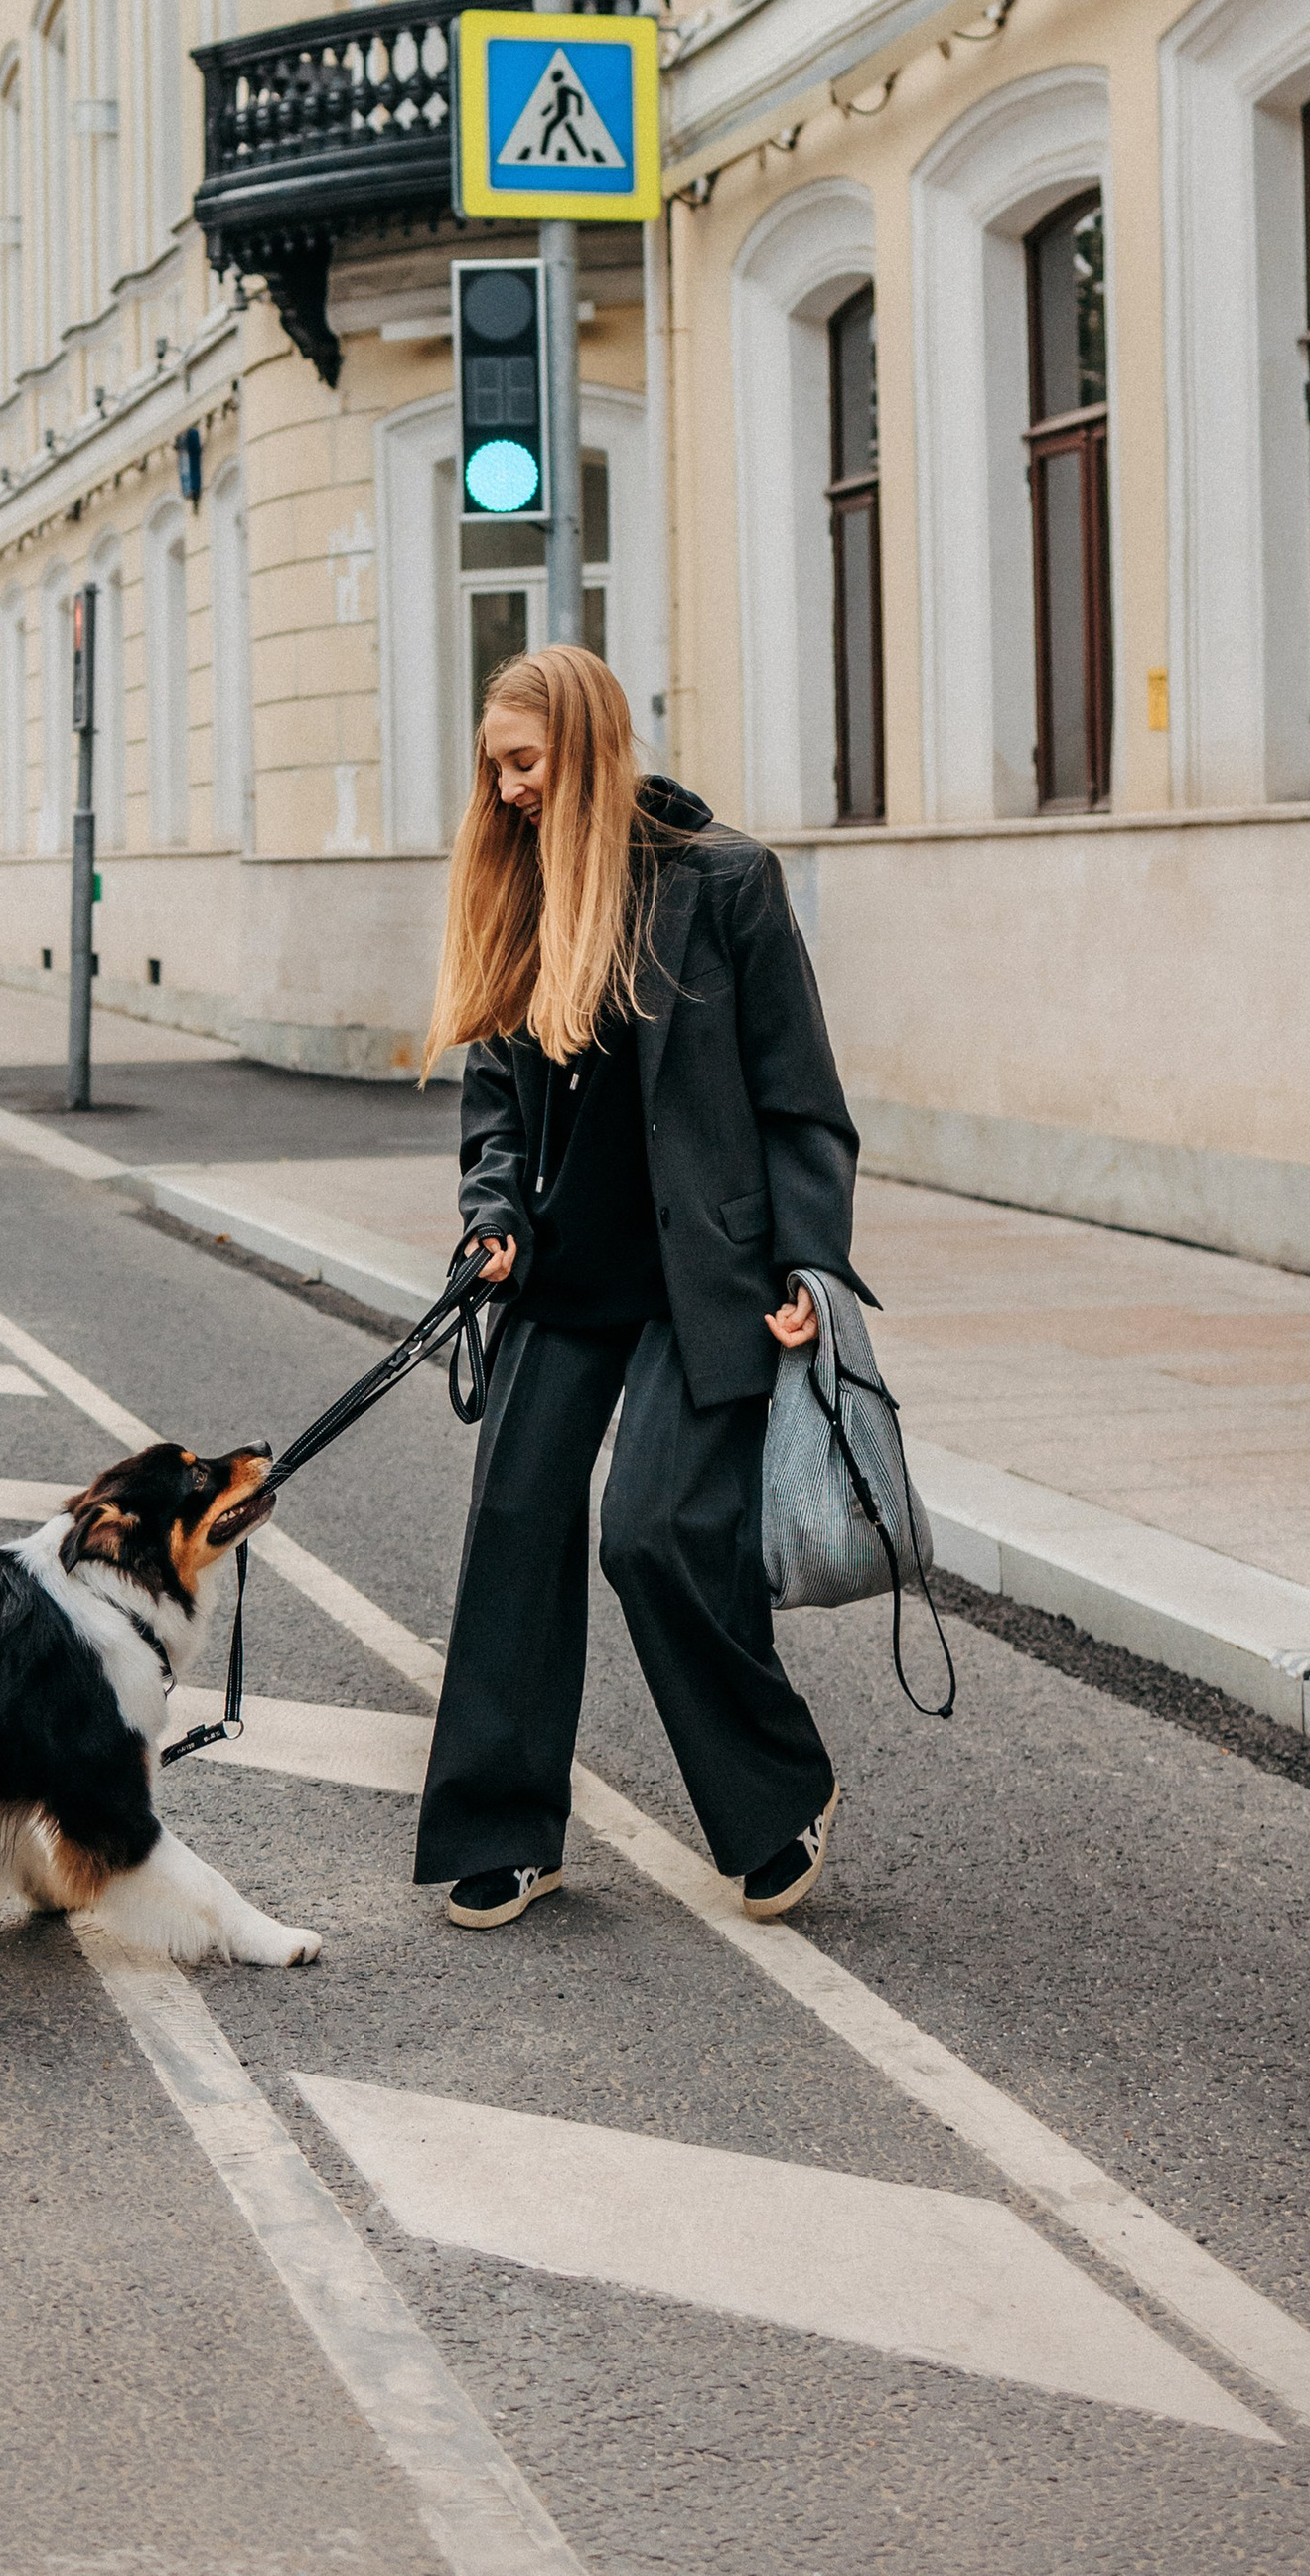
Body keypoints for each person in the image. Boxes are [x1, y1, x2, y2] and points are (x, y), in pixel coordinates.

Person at [412, 643, 864, 1933]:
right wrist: (493, 1219)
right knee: (513, 1529)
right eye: (493, 767)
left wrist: (806, 1262)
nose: (502, 791)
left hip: (700, 1280)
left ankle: (776, 1790)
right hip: (562, 1278)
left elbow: (800, 1104)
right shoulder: (520, 888)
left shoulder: (725, 884)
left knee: (655, 1533)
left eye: (522, 762)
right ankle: (506, 1829)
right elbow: (498, 1109)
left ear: (590, 747)